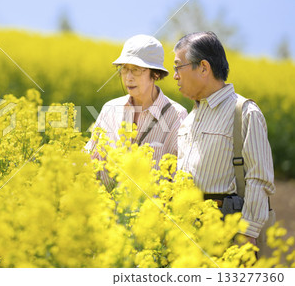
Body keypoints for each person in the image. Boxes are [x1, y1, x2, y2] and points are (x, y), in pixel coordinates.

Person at [173, 31, 275, 245]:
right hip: (186, 233)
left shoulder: (244, 112)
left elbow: (259, 179)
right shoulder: (188, 121)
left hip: (227, 231)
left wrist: (248, 236)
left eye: (178, 67)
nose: (175, 76)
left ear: (203, 67)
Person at [85, 34, 188, 192]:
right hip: (108, 214)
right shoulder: (110, 109)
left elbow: (181, 178)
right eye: (124, 69)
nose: (128, 77)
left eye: (136, 70)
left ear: (155, 74)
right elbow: (89, 158)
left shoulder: (177, 115)